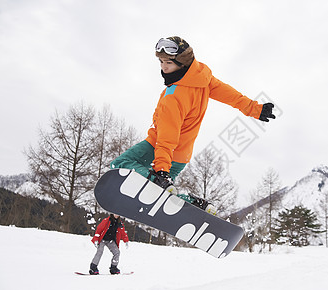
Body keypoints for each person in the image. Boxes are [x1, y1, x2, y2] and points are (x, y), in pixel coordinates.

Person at [110, 36, 276, 213]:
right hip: (181, 158)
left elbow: (167, 136)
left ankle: (158, 181)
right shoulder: (202, 79)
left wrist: (161, 170)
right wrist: (253, 108)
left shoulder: (172, 96)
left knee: (120, 164)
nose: (163, 67)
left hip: (159, 149)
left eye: (168, 62)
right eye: (160, 61)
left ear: (181, 63)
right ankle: (193, 204)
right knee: (162, 196)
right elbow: (230, 95)